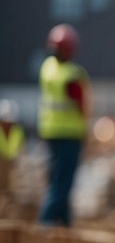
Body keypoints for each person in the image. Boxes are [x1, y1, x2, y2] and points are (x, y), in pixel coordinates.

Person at [37, 24, 89, 226]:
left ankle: (65, 222)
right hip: (69, 133)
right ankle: (46, 221)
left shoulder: (47, 68)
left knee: (56, 178)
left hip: (50, 131)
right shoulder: (72, 75)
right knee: (62, 182)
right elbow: (81, 105)